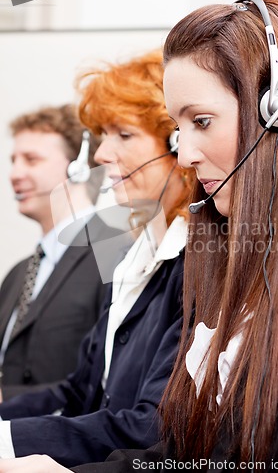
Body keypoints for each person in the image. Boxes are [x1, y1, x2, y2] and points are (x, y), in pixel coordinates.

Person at [0, 0, 278, 473]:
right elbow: (185, 451)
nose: (185, 155)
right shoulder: (219, 258)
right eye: (182, 128)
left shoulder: (266, 262)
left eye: (201, 121)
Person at [0, 50, 192, 467]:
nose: (102, 155)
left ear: (180, 144)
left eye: (122, 134)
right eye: (103, 135)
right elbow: (79, 391)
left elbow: (152, 426)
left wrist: (9, 442)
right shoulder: (128, 264)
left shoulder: (199, 267)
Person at [0, 104, 110, 400]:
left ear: (79, 166)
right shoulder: (18, 273)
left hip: (58, 442)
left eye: (31, 160)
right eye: (13, 160)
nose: (14, 173)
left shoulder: (111, 256)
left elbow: (98, 385)